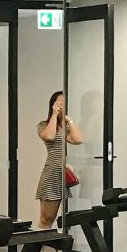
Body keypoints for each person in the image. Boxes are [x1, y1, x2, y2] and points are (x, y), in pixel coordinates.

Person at [34, 90, 82, 238]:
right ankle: (38, 250)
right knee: (46, 218)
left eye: (64, 103)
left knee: (57, 217)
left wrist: (69, 120)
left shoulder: (65, 127)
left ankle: (50, 248)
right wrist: (54, 114)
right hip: (51, 175)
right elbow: (49, 136)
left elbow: (78, 139)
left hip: (63, 176)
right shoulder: (44, 125)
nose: (62, 105)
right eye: (59, 102)